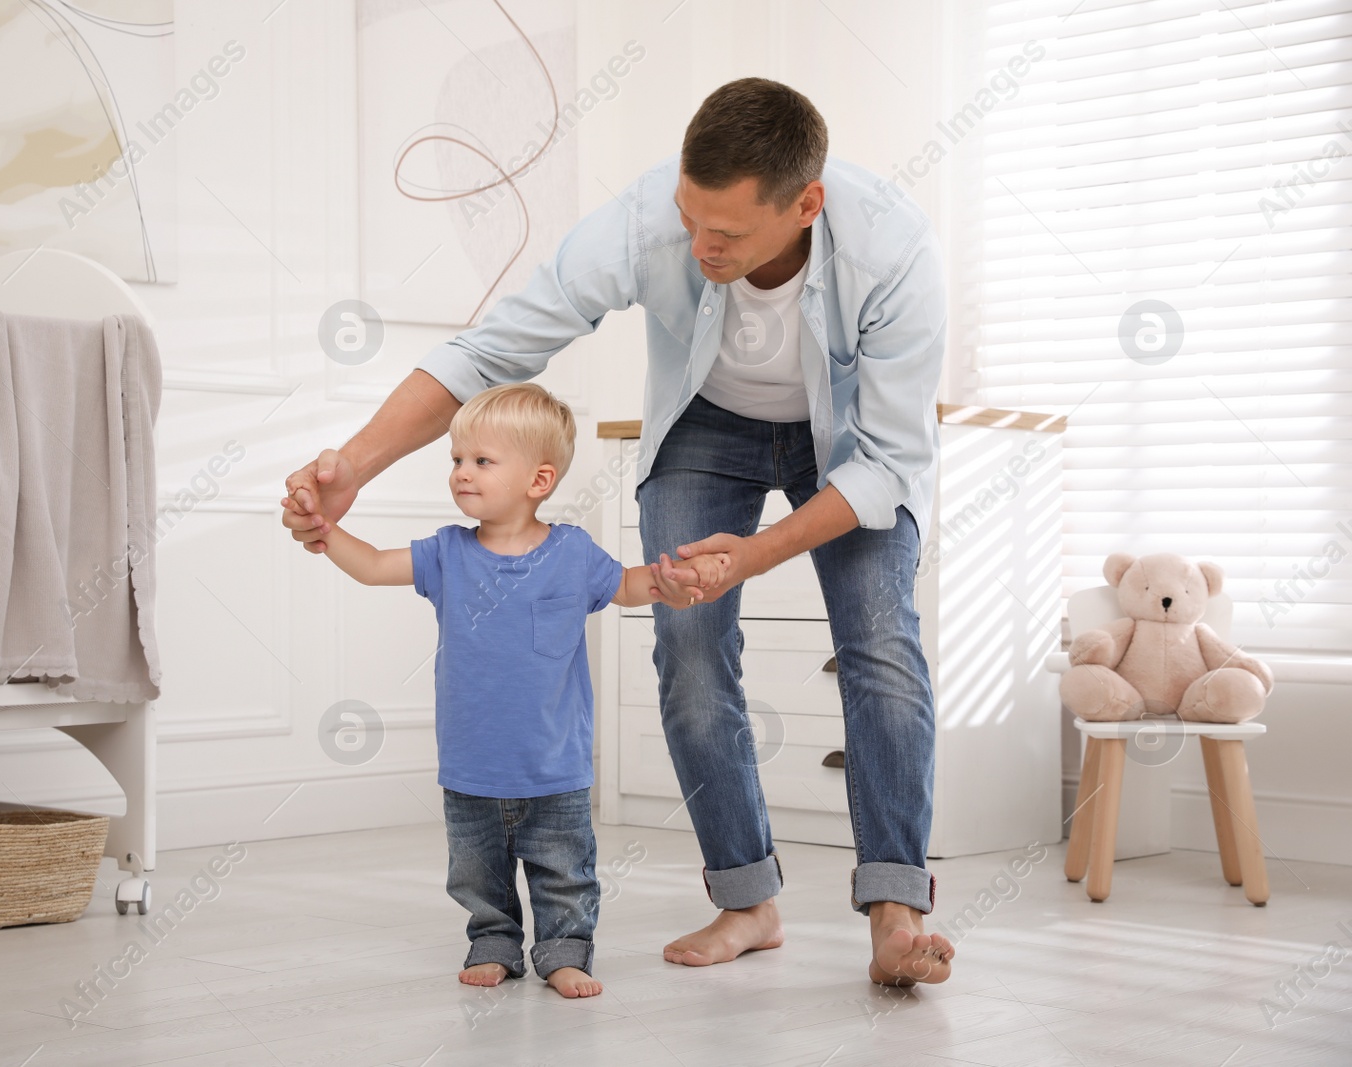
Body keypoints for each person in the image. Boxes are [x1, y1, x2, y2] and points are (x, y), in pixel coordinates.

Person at [283, 77, 954, 986]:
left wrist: (755, 552)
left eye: (728, 233)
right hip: (705, 423)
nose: (700, 244)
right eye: (691, 219)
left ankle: (896, 913)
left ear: (807, 204)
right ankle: (748, 900)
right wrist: (354, 465)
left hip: (849, 447)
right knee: (686, 638)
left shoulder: (896, 249)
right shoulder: (648, 219)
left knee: (879, 640)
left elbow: (886, 461)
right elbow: (492, 350)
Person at [307, 382, 724, 999]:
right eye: (456, 460)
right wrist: (321, 529)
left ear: (538, 480)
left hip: (554, 766)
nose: (461, 474)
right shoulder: (446, 553)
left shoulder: (573, 553)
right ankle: (494, 942)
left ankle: (564, 949)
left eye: (481, 461)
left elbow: (631, 586)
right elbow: (370, 566)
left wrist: (672, 582)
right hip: (472, 764)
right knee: (478, 874)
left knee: (564, 872)